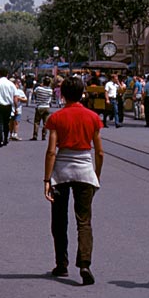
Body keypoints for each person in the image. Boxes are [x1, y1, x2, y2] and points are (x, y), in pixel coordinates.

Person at [44, 76, 104, 285]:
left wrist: (46, 179)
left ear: (62, 94)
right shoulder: (93, 117)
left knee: (59, 220)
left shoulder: (56, 118)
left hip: (61, 172)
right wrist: (97, 174)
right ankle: (85, 264)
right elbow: (100, 152)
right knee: (84, 220)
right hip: (85, 170)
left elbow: (51, 151)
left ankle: (62, 264)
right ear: (83, 93)